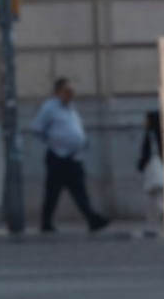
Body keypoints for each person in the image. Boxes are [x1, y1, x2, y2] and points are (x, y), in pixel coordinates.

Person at [30, 78, 109, 233]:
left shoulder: (71, 108)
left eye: (72, 92)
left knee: (80, 191)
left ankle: (93, 220)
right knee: (52, 193)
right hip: (58, 157)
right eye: (67, 91)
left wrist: (82, 141)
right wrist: (53, 141)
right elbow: (36, 128)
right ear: (58, 92)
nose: (70, 94)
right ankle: (46, 223)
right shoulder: (49, 108)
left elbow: (74, 128)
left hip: (73, 157)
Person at [136, 110, 164, 236]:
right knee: (156, 195)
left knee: (154, 196)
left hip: (153, 167)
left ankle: (163, 215)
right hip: (159, 166)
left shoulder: (151, 134)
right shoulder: (162, 133)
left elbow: (147, 152)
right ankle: (154, 222)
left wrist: (141, 164)